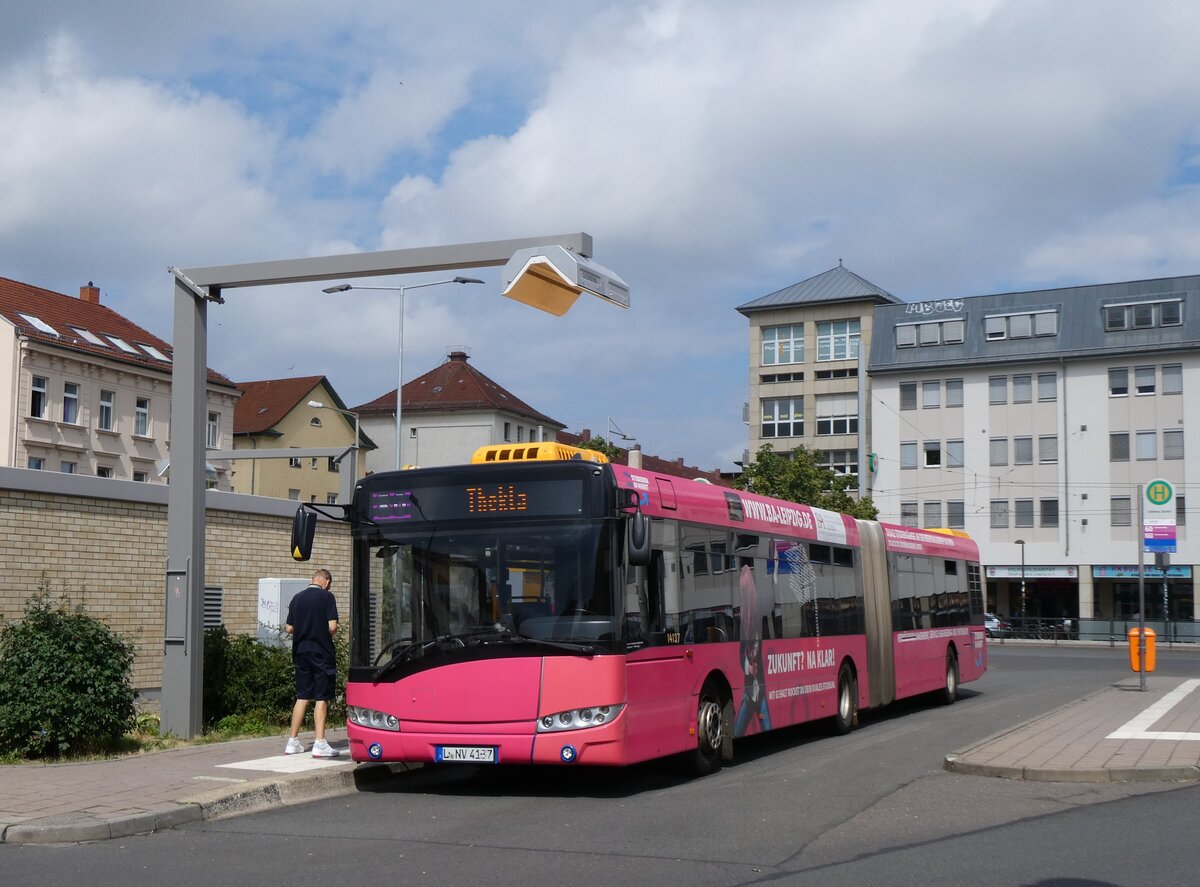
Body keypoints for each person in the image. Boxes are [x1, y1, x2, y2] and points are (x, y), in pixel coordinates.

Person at [284, 568, 340, 757]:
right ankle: (320, 742)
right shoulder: (327, 598)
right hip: (321, 653)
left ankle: (292, 742)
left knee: (302, 695)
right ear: (325, 581)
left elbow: (289, 628)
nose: (328, 587)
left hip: (300, 652)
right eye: (329, 584)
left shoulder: (297, 598)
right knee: (321, 696)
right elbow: (332, 627)